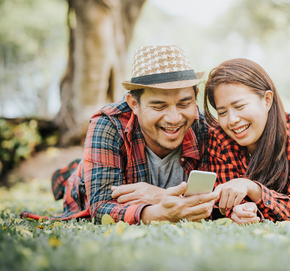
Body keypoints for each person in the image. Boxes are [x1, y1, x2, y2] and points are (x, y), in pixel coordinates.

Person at [21, 44, 218, 224]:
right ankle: (69, 173)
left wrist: (159, 196)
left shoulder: (204, 126)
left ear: (196, 96)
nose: (174, 118)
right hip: (82, 184)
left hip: (123, 169)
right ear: (134, 104)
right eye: (159, 106)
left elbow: (220, 194)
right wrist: (158, 213)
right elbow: (100, 207)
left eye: (184, 103)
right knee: (76, 178)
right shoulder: (108, 123)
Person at [204, 58, 290, 224]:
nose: (232, 120)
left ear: (267, 100)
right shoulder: (219, 138)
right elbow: (221, 202)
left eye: (240, 106)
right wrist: (238, 211)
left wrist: (252, 188)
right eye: (222, 113)